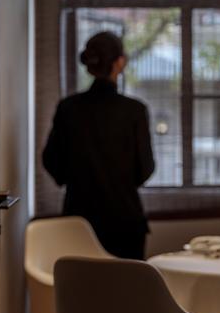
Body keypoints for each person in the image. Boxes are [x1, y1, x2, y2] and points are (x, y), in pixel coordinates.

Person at [43, 31, 155, 259]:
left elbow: (51, 160)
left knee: (80, 281)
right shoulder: (134, 111)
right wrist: (120, 183)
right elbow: (145, 168)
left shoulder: (69, 108)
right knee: (126, 282)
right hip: (125, 221)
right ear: (119, 63)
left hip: (78, 221)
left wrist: (73, 179)